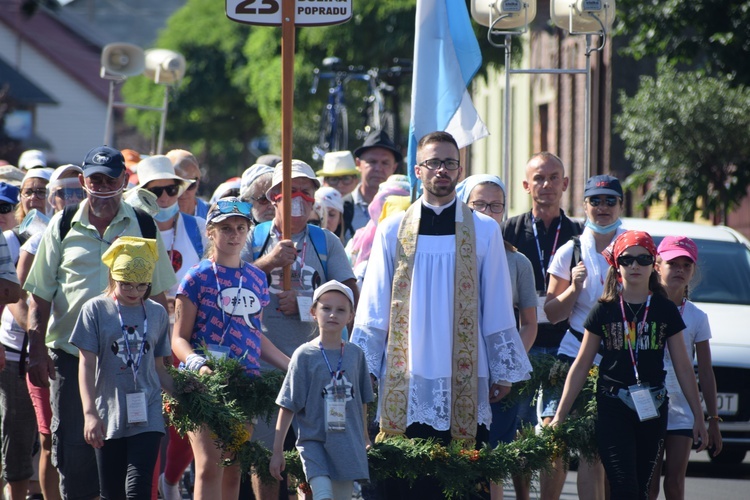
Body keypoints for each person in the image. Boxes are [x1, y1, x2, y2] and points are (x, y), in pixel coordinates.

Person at [351, 131, 531, 498]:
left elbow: (497, 302)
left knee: (461, 483)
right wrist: (366, 365)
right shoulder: (391, 230)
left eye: (449, 163)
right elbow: (374, 303)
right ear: (418, 170)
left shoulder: (483, 231)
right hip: (407, 372)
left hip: (466, 373)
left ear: (459, 169)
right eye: (433, 163)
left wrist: (503, 368)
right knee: (404, 482)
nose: (442, 171)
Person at [24, 146, 176, 500]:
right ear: (83, 181)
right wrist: (35, 350)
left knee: (127, 461)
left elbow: (159, 297)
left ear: (124, 181)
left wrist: (162, 361)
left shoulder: (143, 223)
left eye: (111, 180)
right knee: (75, 456)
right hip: (73, 358)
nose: (103, 187)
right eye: (96, 180)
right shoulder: (63, 224)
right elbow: (40, 294)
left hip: (131, 361)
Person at [551, 230, 708, 500]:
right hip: (613, 406)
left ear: (653, 264)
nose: (635, 265)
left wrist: (699, 417)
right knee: (623, 486)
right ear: (616, 264)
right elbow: (581, 365)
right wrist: (559, 415)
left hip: (653, 408)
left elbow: (684, 367)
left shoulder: (664, 309)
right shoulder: (604, 309)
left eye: (643, 259)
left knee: (642, 489)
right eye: (627, 259)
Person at [241, 160, 358, 500]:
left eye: (307, 193)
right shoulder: (255, 238)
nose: (300, 200)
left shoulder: (326, 242)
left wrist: (306, 302)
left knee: (312, 454)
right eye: (292, 192)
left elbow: (350, 296)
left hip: (316, 365)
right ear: (273, 197)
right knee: (265, 455)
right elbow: (232, 287)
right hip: (264, 363)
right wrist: (268, 263)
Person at [172, 197, 289, 500]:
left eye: (240, 227)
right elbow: (179, 338)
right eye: (226, 228)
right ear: (211, 232)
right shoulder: (196, 277)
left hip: (244, 385)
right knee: (209, 465)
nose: (234, 234)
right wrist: (199, 365)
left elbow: (254, 335)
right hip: (204, 386)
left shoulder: (255, 278)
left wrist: (290, 364)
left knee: (234, 467)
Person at [500, 152, 581, 499]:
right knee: (518, 432)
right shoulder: (508, 230)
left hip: (565, 344)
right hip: (523, 340)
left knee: (554, 434)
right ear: (526, 185)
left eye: (553, 178)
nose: (546, 185)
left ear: (565, 183)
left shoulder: (580, 233)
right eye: (539, 178)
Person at [542, 174, 628, 500]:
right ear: (584, 205)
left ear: (620, 204)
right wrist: (574, 289)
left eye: (610, 200)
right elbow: (551, 313)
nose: (602, 207)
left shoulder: (634, 247)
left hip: (620, 354)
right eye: (595, 200)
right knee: (561, 439)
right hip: (575, 352)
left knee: (604, 450)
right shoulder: (571, 250)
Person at [71, 237, 174, 499]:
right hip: (109, 414)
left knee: (138, 490)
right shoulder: (94, 309)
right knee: (111, 493)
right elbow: (86, 363)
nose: (133, 291)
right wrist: (90, 413)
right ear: (112, 276)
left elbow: (160, 369)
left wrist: (187, 394)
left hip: (148, 412)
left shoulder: (158, 313)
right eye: (125, 283)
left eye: (142, 285)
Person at [457, 174, 537, 500]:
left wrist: (506, 367)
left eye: (496, 206)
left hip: (496, 376)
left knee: (493, 459)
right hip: (457, 370)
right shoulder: (450, 252)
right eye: (480, 205)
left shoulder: (517, 262)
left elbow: (529, 323)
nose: (488, 212)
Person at [10, 164, 82, 500]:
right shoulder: (38, 238)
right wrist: (37, 341)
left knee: (85, 438)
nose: (70, 198)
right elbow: (19, 294)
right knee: (50, 440)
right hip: (50, 352)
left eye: (76, 191)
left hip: (88, 352)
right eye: (62, 192)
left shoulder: (91, 234)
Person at [269, 281, 373, 500]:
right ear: (313, 311)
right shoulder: (304, 356)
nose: (333, 314)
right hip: (314, 443)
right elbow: (288, 404)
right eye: (326, 308)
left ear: (351, 316)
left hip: (347, 444)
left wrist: (364, 437)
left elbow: (363, 400)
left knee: (341, 497)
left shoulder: (356, 355)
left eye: (341, 310)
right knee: (323, 494)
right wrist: (277, 450)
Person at [649, 236, 722, 500]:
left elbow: (705, 372)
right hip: (649, 406)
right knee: (649, 485)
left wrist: (711, 419)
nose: (680, 269)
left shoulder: (697, 317)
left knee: (675, 484)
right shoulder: (644, 307)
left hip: (682, 411)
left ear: (693, 270)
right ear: (657, 265)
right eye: (673, 263)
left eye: (686, 264)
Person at [342, 130, 402, 238]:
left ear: (394, 167)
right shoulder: (343, 208)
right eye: (372, 162)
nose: (378, 168)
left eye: (385, 163)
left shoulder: (403, 208)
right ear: (359, 164)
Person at [167, 149, 210, 219]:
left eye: (190, 185)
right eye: (177, 186)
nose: (183, 193)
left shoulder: (210, 214)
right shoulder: (154, 217)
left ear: (198, 182)